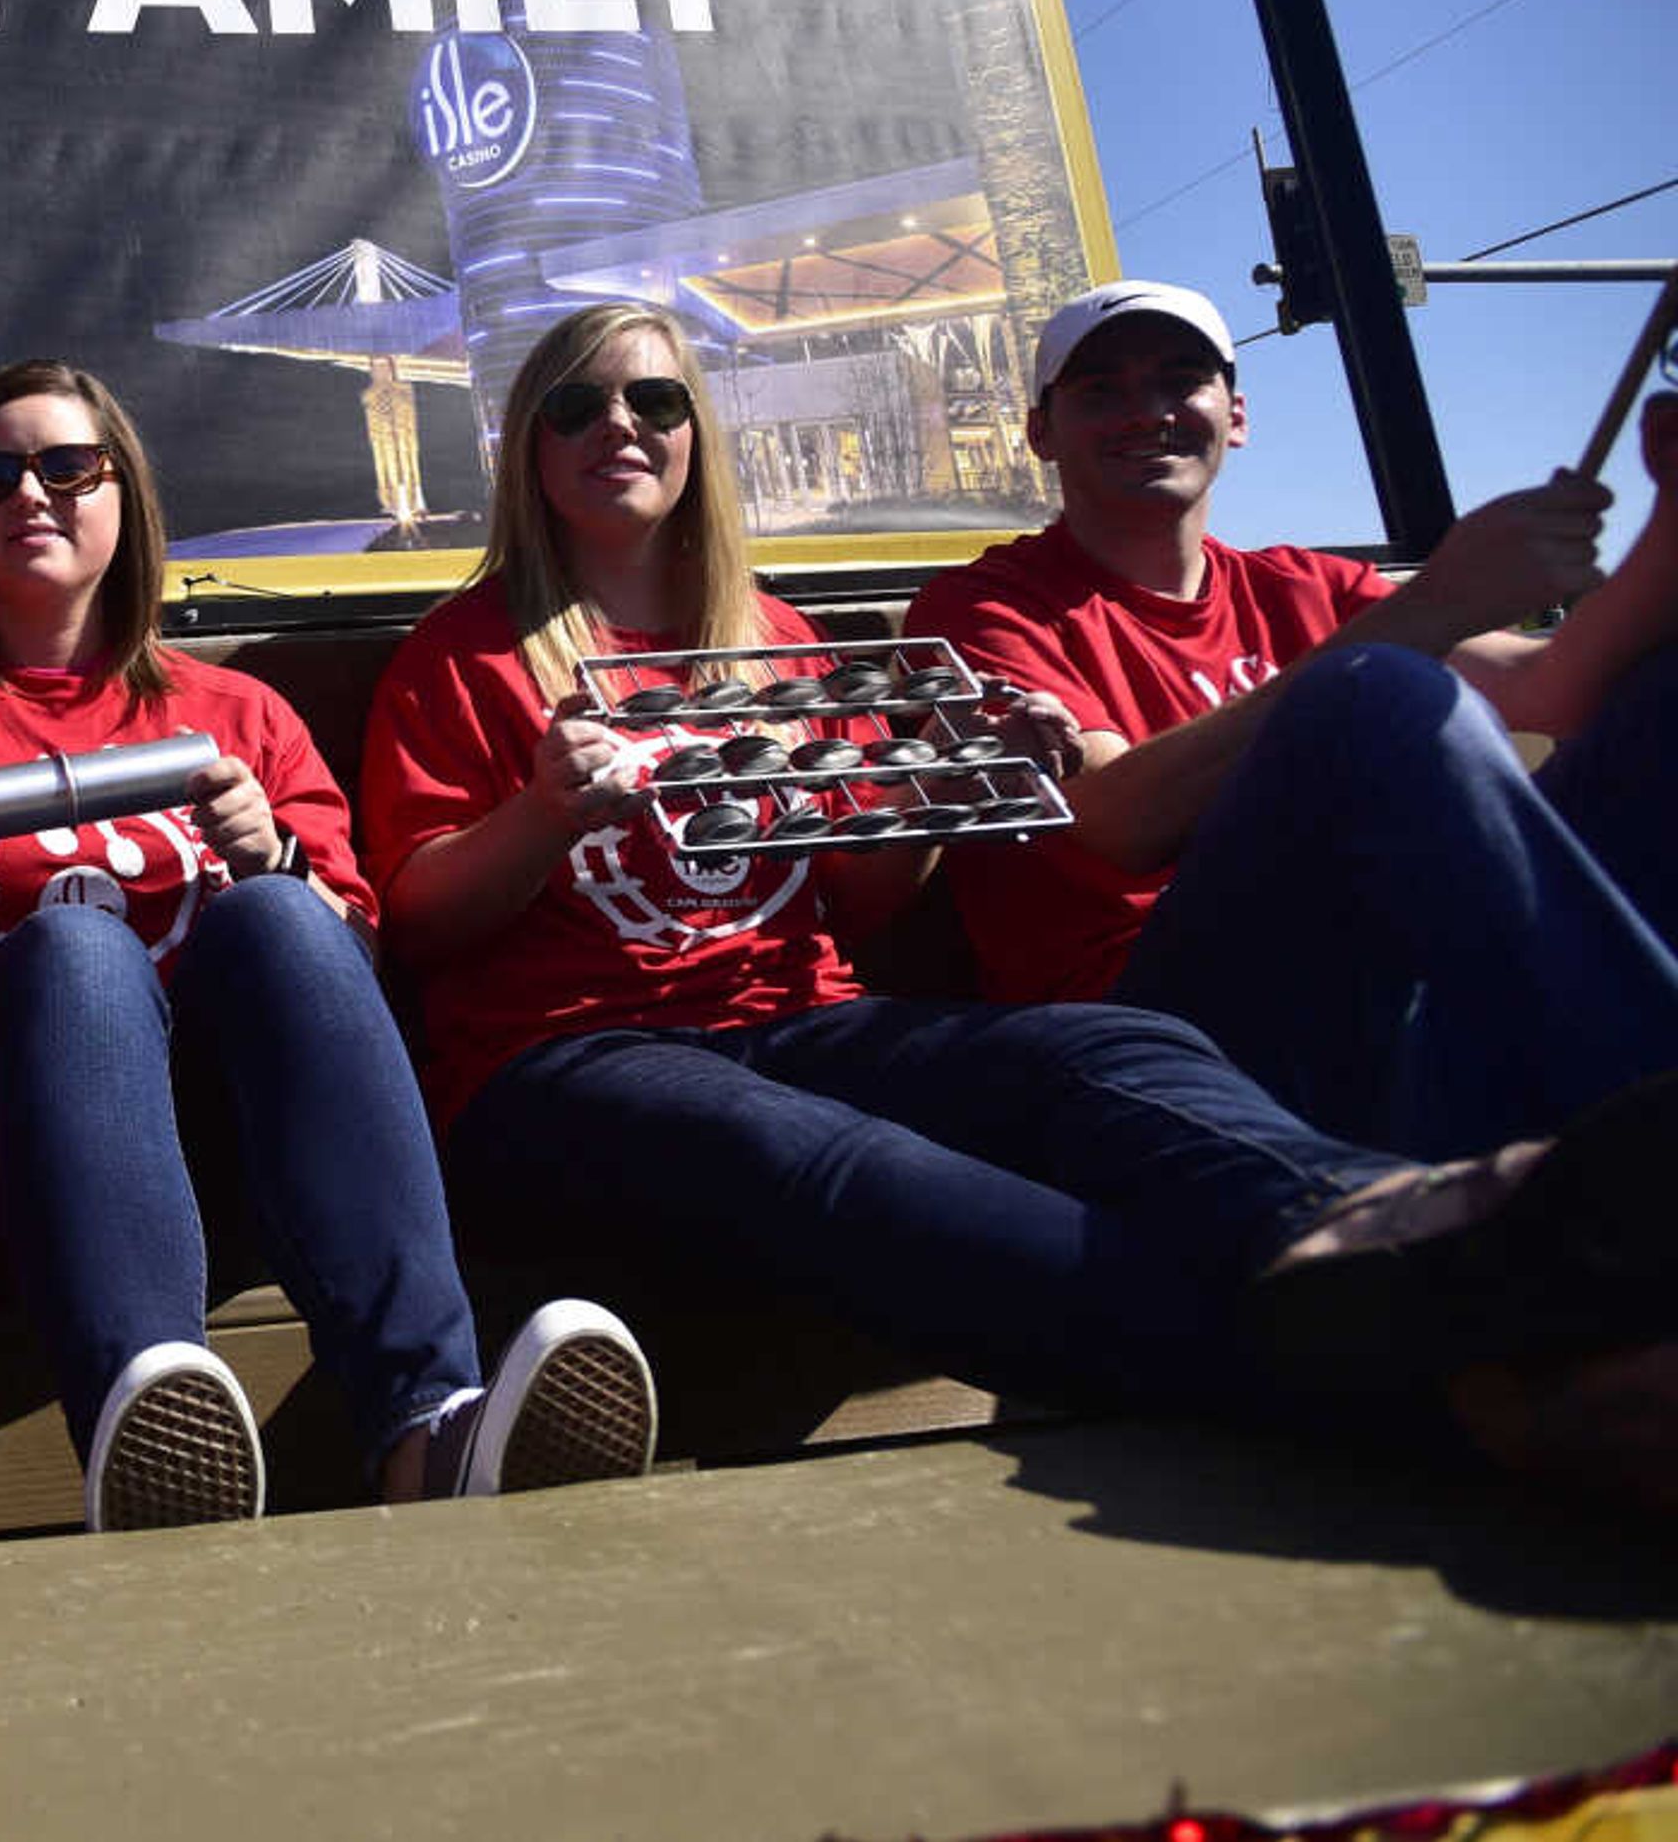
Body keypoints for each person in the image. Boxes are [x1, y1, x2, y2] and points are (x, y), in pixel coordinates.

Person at [356, 301, 1678, 1496]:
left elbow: (869, 898)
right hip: (567, 1053)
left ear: (701, 435)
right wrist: (539, 812)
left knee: (1106, 1046)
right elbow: (418, 917)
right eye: (575, 406)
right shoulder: (463, 650)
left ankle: (1392, 1222)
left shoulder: (783, 639)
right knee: (830, 1158)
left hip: (792, 1017)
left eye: (656, 401)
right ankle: (1416, 1374)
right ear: (528, 449)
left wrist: (949, 786)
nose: (619, 426)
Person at [0, 361, 654, 1529]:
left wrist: (271, 860)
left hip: (218, 1166)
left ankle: (431, 1420)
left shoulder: (239, 714)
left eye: (71, 467)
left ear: (126, 500)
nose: (33, 494)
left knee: (276, 912)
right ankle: (148, 1417)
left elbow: (349, 968)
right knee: (77, 950)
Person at [904, 277, 1678, 1154]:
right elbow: (1118, 819)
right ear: (1042, 432)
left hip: (1377, 980)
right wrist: (1432, 606)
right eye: (1099, 391)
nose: (1145, 411)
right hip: (1153, 1028)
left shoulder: (1307, 584)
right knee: (1371, 695)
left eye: (1180, 380)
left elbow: (1555, 687)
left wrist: (1670, 518)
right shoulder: (982, 606)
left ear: (1234, 413)